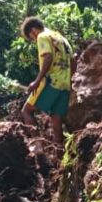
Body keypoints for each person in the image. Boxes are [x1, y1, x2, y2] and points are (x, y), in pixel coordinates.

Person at [19, 17, 74, 149]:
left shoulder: (42, 36)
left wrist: (37, 81)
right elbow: (73, 62)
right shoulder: (62, 39)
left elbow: (48, 57)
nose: (33, 40)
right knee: (56, 118)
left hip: (51, 81)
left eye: (31, 38)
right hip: (64, 84)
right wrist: (68, 79)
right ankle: (58, 155)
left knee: (26, 111)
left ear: (33, 30)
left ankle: (39, 149)